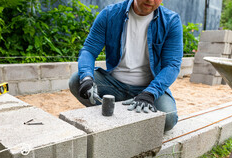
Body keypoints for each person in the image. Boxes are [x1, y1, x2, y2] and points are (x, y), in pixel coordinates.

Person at [69, 0, 183, 131]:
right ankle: (112, 117)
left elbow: (172, 65)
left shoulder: (171, 21)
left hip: (147, 88)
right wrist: (87, 77)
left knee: (168, 119)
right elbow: (89, 50)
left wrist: (150, 93)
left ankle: (120, 118)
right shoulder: (109, 14)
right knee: (76, 81)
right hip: (113, 85)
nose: (150, 0)